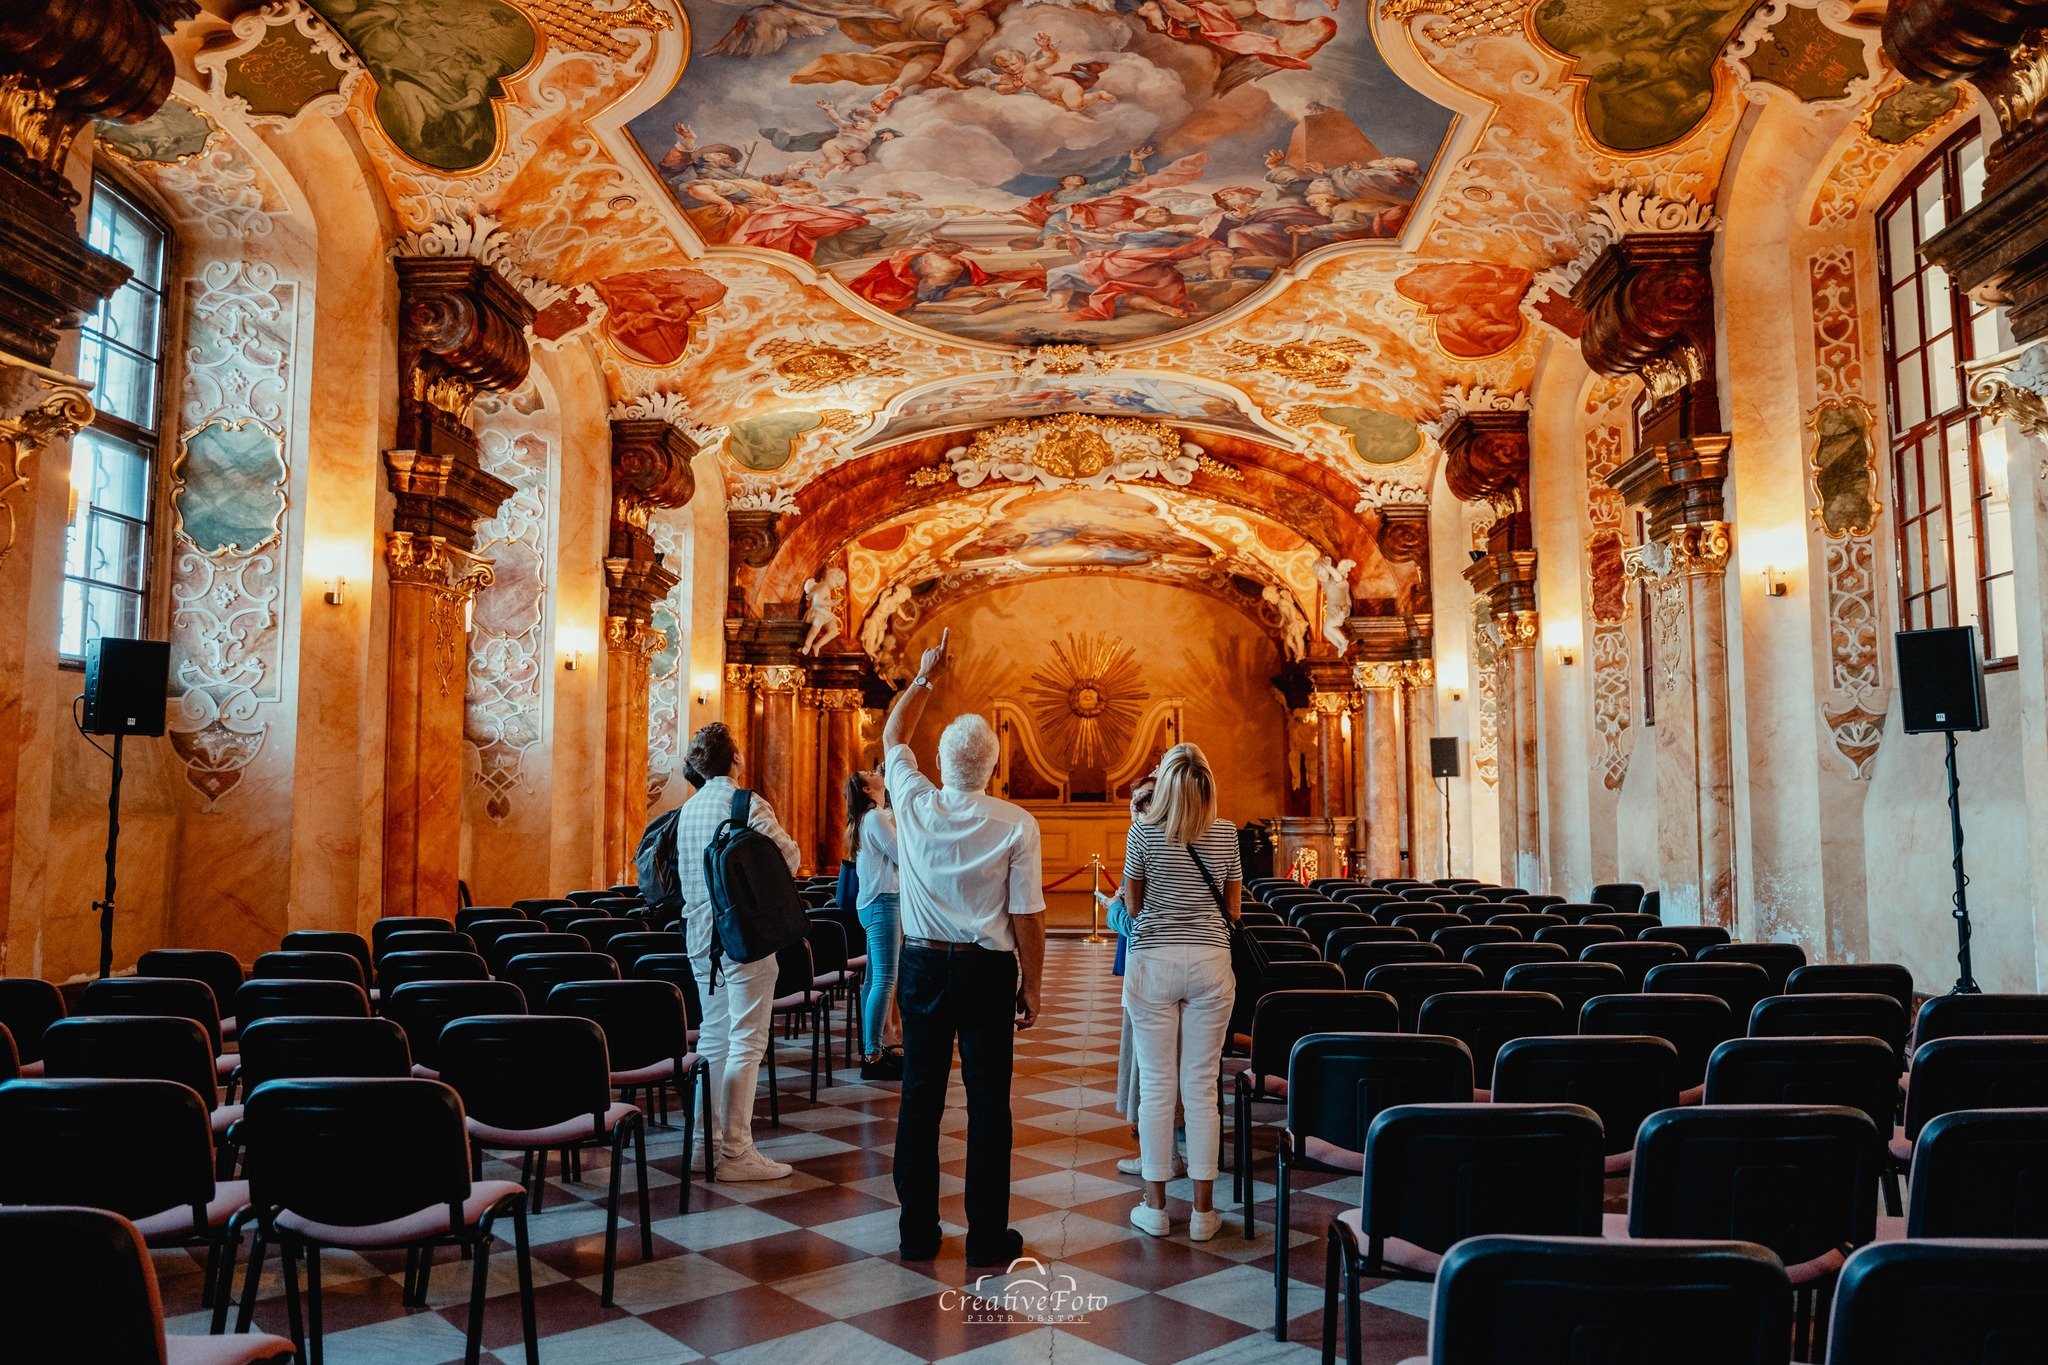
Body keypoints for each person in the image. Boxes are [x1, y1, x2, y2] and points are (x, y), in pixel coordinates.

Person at [883, 628, 1046, 1267]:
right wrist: (1032, 984)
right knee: (988, 1105)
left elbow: (894, 737)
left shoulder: (914, 798)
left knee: (920, 1099)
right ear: (994, 767)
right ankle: (985, 1238)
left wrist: (924, 678)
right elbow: (1027, 916)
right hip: (987, 972)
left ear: (941, 764)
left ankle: (917, 1232)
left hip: (922, 963)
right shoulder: (1016, 823)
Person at [671, 722, 801, 1182]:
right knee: (746, 1040)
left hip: (699, 937)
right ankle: (736, 1153)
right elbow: (790, 859)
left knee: (713, 1037)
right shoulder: (744, 803)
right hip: (743, 936)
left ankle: (703, 1145)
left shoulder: (687, 810)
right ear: (735, 759)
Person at [1120, 742, 1239, 1240]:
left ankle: (1156, 1207)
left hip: (1154, 962)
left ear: (1164, 784)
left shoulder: (1143, 830)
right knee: (1201, 1087)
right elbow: (1234, 910)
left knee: (1156, 1086)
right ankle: (1205, 1214)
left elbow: (1131, 900)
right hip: (1211, 963)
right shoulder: (1227, 834)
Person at [845, 769, 905, 1080]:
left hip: (870, 903)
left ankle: (874, 1048)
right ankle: (872, 1055)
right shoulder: (875, 818)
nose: (876, 772)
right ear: (868, 789)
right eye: (870, 774)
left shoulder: (870, 817)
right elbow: (900, 855)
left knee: (873, 980)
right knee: (884, 979)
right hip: (884, 902)